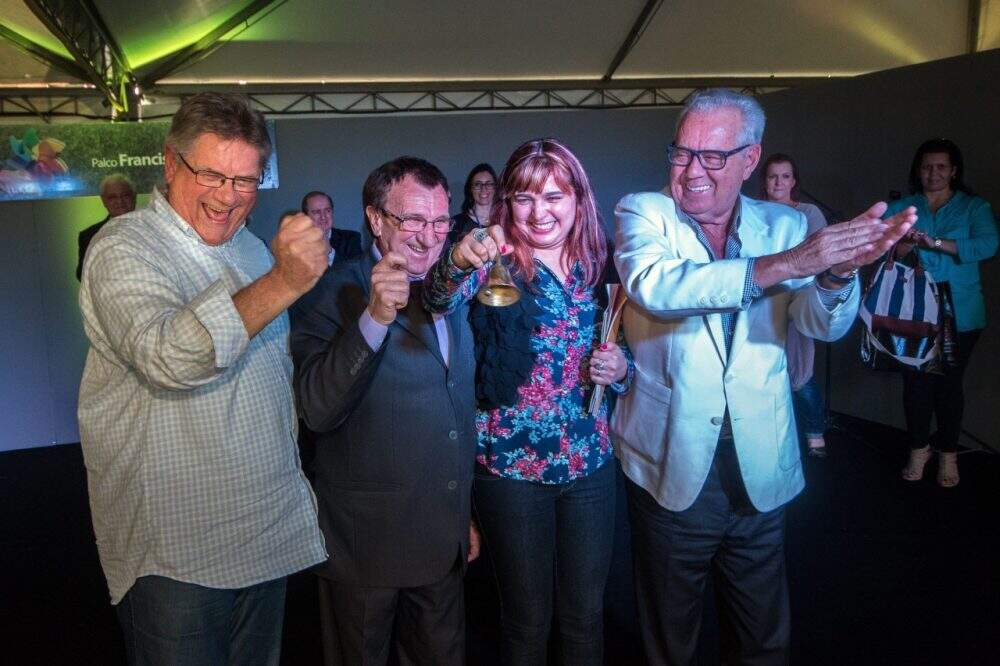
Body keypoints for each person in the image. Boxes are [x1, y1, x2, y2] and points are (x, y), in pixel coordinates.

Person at [612, 88, 916, 665]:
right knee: (668, 635)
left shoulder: (783, 224)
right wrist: (797, 263)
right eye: (682, 153)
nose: (692, 170)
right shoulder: (642, 212)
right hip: (672, 460)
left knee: (762, 636)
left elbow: (819, 326)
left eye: (713, 156)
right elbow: (657, 286)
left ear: (751, 160)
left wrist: (835, 275)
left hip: (759, 458)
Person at [78, 93, 329, 665]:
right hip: (176, 550)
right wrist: (286, 281)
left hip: (261, 533)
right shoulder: (124, 247)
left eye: (245, 180)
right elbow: (167, 357)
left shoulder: (248, 249)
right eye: (212, 174)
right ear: (170, 164)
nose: (228, 197)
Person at [426, 138, 632, 666]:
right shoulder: (495, 262)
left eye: (555, 196)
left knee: (586, 617)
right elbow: (436, 297)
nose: (540, 212)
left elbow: (625, 347)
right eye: (525, 198)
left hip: (588, 462)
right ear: (507, 202)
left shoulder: (598, 265)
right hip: (511, 468)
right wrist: (455, 256)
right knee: (525, 622)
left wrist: (621, 369)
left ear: (578, 200)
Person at [290, 156, 479, 666]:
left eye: (440, 221)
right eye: (412, 220)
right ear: (375, 219)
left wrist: (464, 513)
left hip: (442, 543)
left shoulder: (451, 286)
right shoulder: (329, 290)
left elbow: (453, 403)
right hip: (365, 549)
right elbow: (316, 409)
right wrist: (373, 320)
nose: (429, 236)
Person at [889, 138, 997, 488]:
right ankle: (919, 448)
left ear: (953, 170)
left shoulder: (973, 207)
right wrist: (904, 242)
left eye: (940, 167)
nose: (933, 173)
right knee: (915, 384)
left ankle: (948, 453)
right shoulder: (906, 205)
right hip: (913, 309)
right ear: (917, 170)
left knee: (949, 385)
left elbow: (987, 244)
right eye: (926, 167)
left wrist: (934, 243)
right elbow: (884, 247)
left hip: (960, 311)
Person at [762, 152, 830, 457]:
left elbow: (819, 255)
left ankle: (815, 432)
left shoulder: (808, 212)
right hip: (761, 301)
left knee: (800, 374)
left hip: (798, 299)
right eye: (773, 176)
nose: (779, 182)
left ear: (794, 181)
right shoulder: (753, 211)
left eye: (785, 176)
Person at [76, 173, 136, 280]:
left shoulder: (153, 228)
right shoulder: (89, 235)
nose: (120, 201)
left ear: (134, 196)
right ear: (103, 200)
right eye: (113, 197)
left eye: (125, 195)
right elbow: (81, 274)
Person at [301, 190, 364, 264]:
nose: (323, 217)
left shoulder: (350, 239)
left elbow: (356, 272)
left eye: (327, 211)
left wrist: (330, 252)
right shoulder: (294, 243)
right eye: (317, 212)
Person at [448, 163, 497, 245]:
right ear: (470, 189)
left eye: (488, 184)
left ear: (495, 188)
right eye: (478, 184)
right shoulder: (456, 223)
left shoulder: (506, 221)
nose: (483, 189)